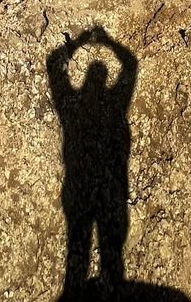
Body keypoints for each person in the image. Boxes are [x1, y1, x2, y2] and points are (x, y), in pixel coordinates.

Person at [47, 26, 138, 298]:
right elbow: (131, 64)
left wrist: (79, 42)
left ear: (84, 82)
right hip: (111, 192)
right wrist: (108, 41)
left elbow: (54, 66)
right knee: (111, 260)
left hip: (79, 191)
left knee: (78, 254)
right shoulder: (115, 106)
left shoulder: (71, 108)